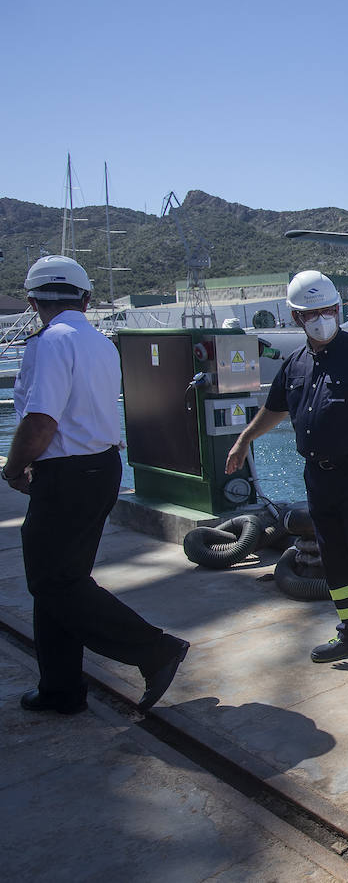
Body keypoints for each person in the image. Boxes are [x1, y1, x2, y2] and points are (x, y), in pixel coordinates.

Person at [4, 256, 188, 715]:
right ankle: (60, 688)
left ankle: (154, 650)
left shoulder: (50, 344)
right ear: (86, 299)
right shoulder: (100, 343)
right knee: (63, 581)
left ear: (32, 301)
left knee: (52, 582)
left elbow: (42, 418)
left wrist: (14, 467)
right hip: (101, 468)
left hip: (67, 476)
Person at [227, 270, 348, 667]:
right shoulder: (294, 366)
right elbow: (273, 409)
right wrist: (243, 441)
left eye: (328, 310)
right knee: (336, 557)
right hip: (320, 477)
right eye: (313, 313)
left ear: (339, 309)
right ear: (297, 318)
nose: (322, 318)